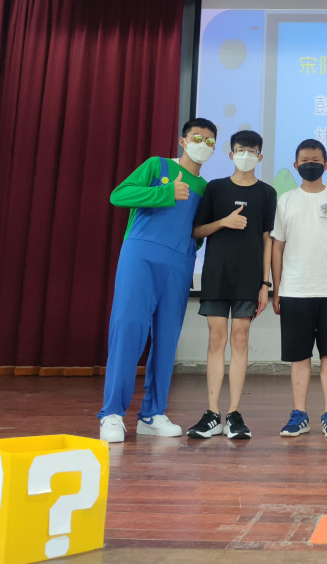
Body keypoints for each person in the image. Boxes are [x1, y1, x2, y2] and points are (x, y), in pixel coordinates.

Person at [98, 118, 217, 443]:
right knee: (128, 330)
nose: (203, 145)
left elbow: (196, 231)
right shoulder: (157, 165)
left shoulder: (206, 188)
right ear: (183, 141)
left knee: (166, 339)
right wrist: (165, 191)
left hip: (179, 264)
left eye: (210, 141)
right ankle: (111, 413)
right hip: (141, 256)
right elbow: (119, 195)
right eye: (198, 138)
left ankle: (152, 414)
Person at [186, 130, 277, 439]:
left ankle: (234, 414)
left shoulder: (267, 193)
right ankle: (212, 413)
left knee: (240, 338)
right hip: (217, 275)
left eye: (251, 151)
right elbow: (197, 230)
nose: (246, 156)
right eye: (240, 150)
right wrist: (224, 222)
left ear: (260, 157)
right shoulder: (215, 188)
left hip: (249, 278)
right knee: (216, 339)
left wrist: (265, 283)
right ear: (231, 154)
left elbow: (267, 239)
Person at [270, 139, 327, 438]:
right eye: (305, 160)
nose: (310, 164)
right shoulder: (286, 200)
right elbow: (277, 247)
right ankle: (299, 414)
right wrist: (277, 289)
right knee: (299, 356)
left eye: (316, 160)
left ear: (326, 164)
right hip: (295, 291)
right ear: (296, 165)